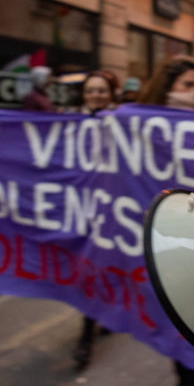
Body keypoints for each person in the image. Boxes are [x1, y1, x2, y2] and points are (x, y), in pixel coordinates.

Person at [138, 55, 194, 386]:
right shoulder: (144, 127)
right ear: (167, 87)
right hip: (167, 245)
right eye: (187, 85)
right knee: (179, 323)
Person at [70, 70, 119, 370]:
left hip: (112, 206)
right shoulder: (71, 122)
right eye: (90, 91)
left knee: (102, 267)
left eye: (101, 91)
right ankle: (88, 332)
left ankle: (93, 325)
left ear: (111, 94)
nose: (95, 96)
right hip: (81, 207)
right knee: (88, 269)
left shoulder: (122, 123)